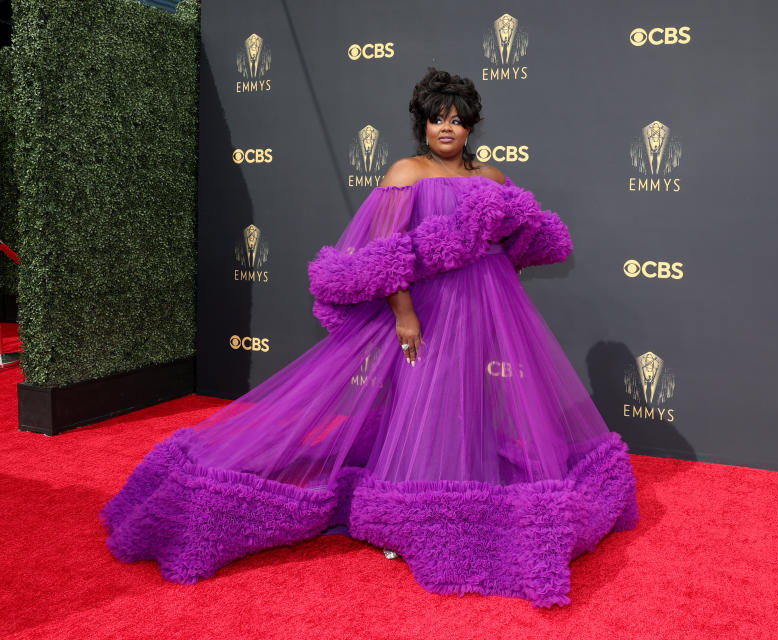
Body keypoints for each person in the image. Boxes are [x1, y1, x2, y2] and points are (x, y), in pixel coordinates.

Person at [100, 68, 638, 608]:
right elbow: (384, 256)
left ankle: (466, 494)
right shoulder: (405, 172)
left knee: (471, 396)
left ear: (471, 126)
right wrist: (404, 315)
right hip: (429, 310)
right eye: (436, 119)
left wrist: (503, 302)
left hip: (488, 307)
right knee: (428, 397)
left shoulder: (495, 178)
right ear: (422, 125)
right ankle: (417, 514)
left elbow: (514, 245)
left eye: (456, 120)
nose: (446, 128)